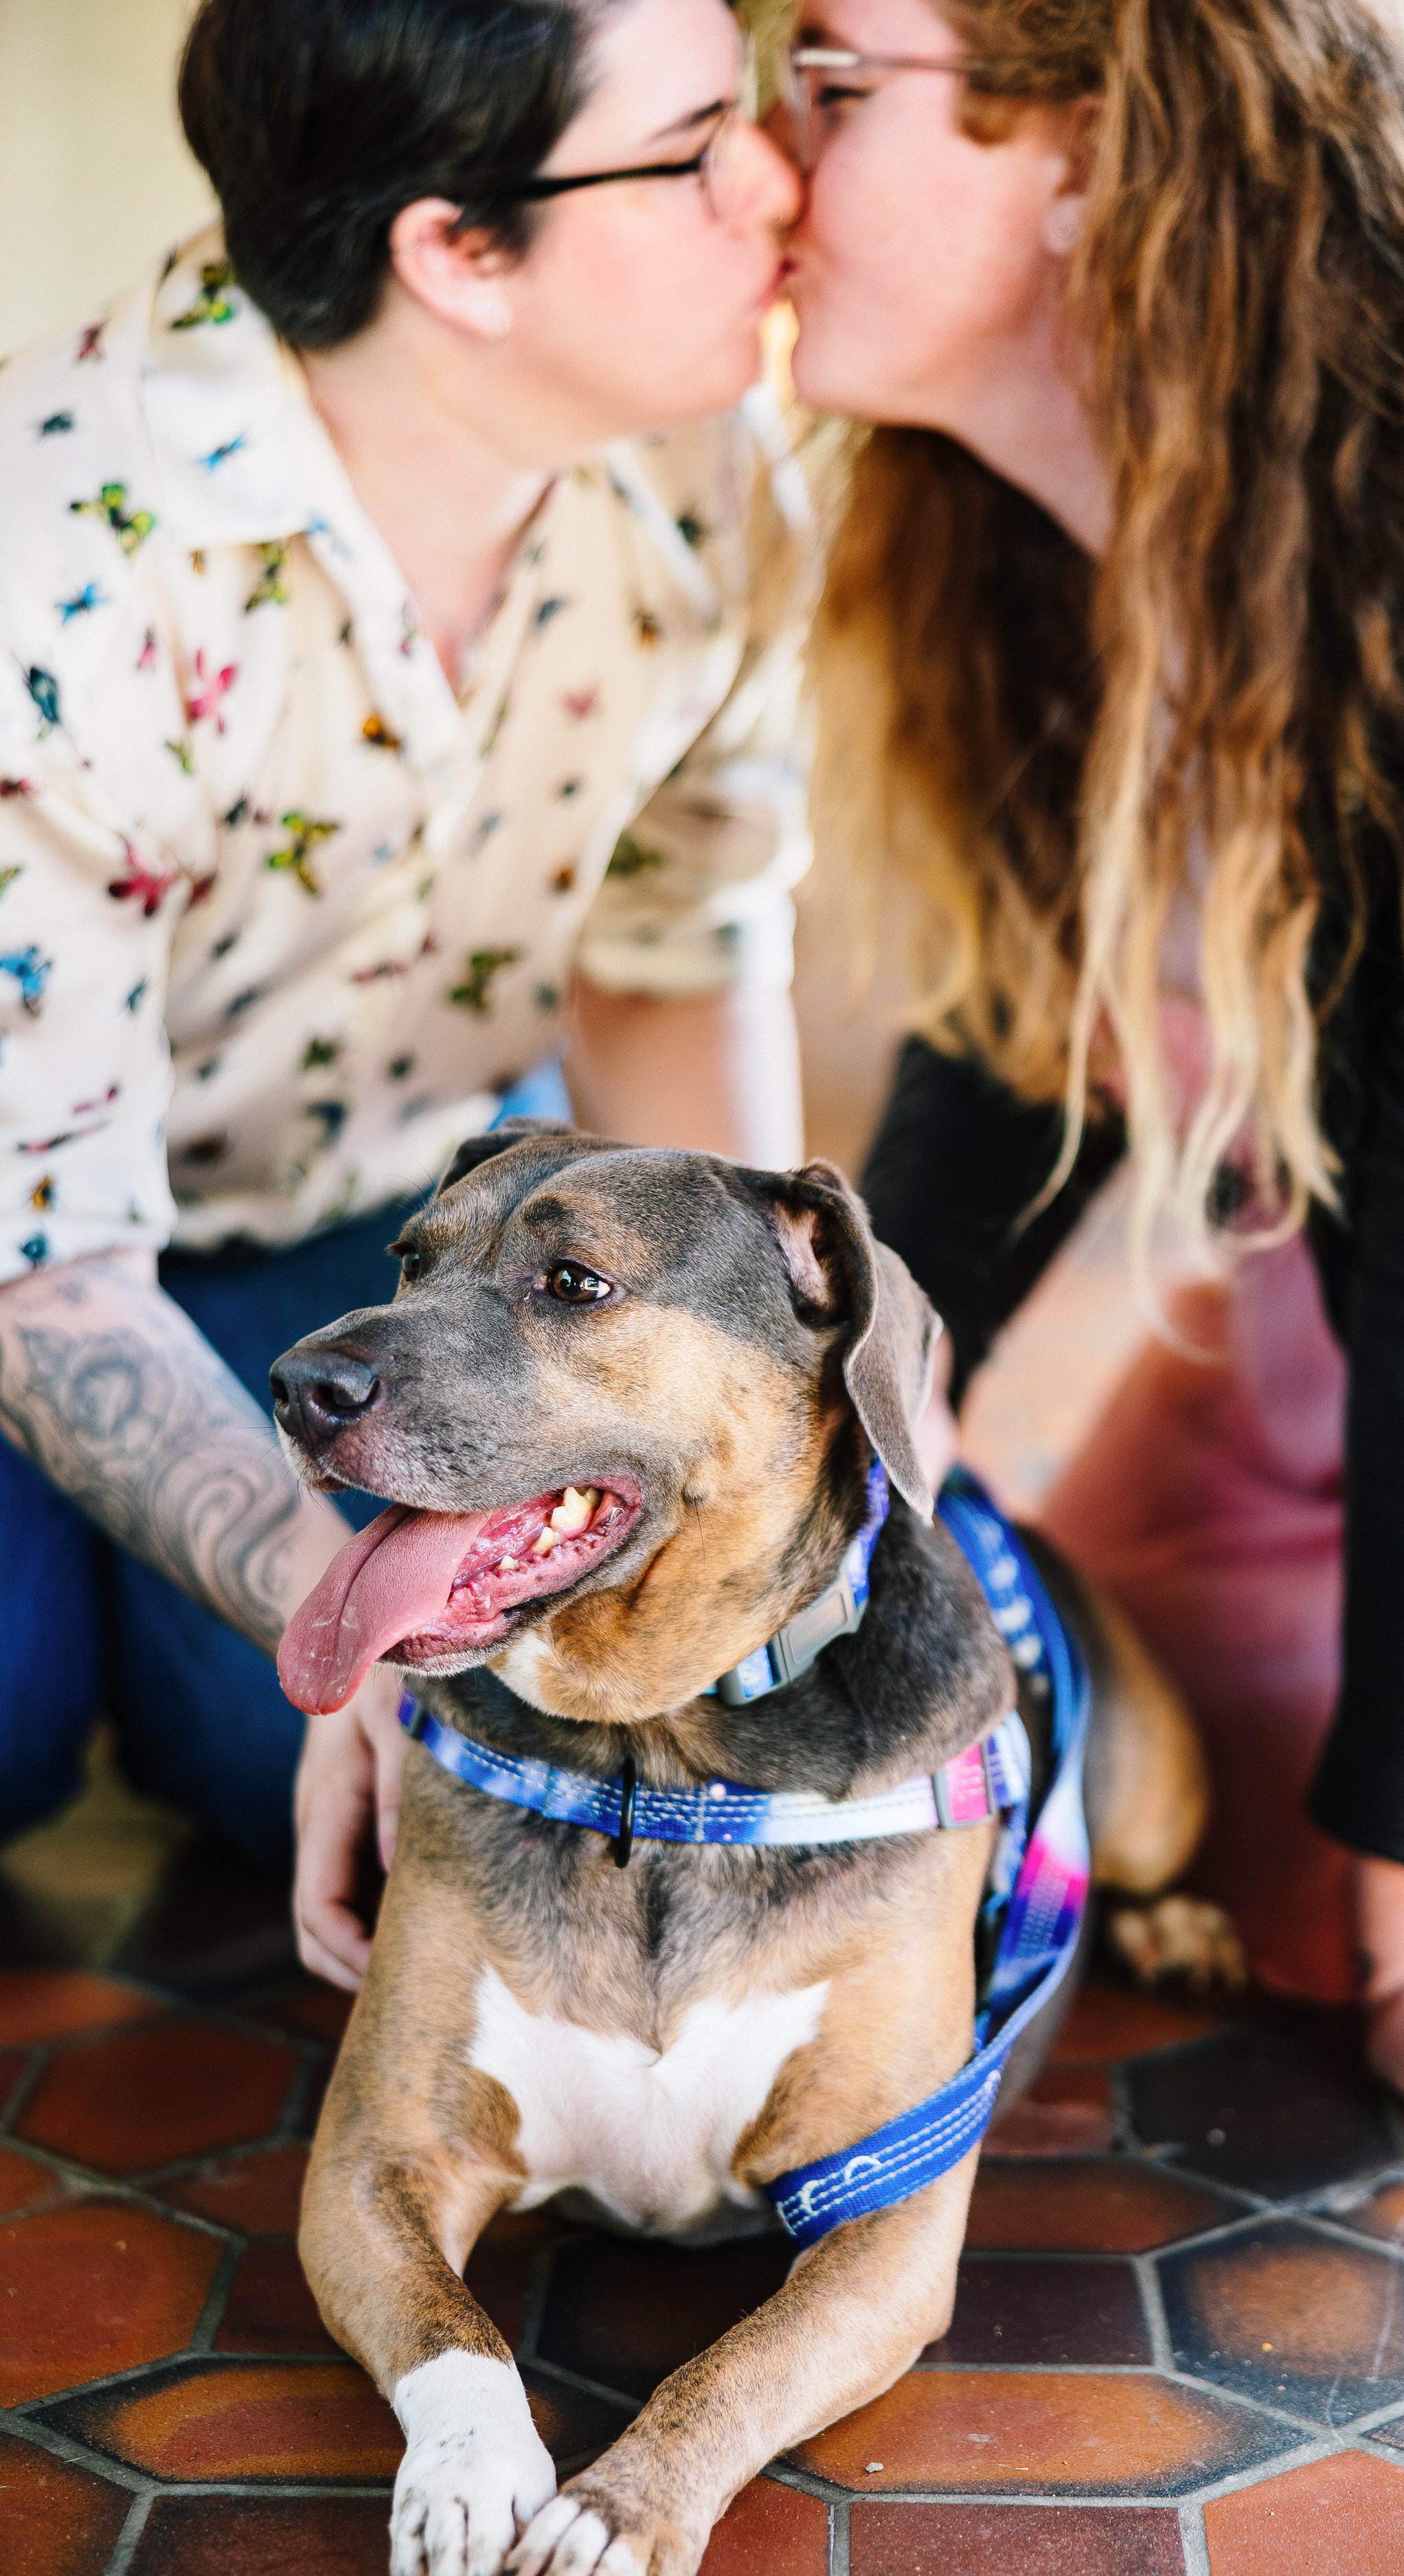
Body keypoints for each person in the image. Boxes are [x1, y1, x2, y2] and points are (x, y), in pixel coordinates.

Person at [775, 0, 1404, 2154]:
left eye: (829, 86)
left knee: (1267, 1809)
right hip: (1347, 1379)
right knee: (1040, 1702)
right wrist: (798, 1457)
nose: (757, 163)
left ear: (1099, 152)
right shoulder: (1017, 524)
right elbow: (1013, 1077)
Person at [0, 0, 808, 1990]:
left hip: (383, 1210)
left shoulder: (709, 466)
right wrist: (309, 1588)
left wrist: (778, 1382)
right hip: (40, 1247)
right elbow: (45, 1266)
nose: (775, 187)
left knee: (296, 1707)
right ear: (455, 251)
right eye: (694, 147)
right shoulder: (52, 570)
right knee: (22, 1724)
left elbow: (673, 959)